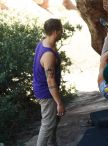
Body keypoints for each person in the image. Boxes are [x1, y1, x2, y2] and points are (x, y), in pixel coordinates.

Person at [33, 18, 65, 146]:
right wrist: (59, 103)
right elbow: (50, 81)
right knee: (48, 125)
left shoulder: (44, 42)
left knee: (52, 124)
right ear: (56, 32)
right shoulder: (48, 55)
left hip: (43, 90)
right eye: (61, 30)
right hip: (47, 94)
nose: (63, 32)